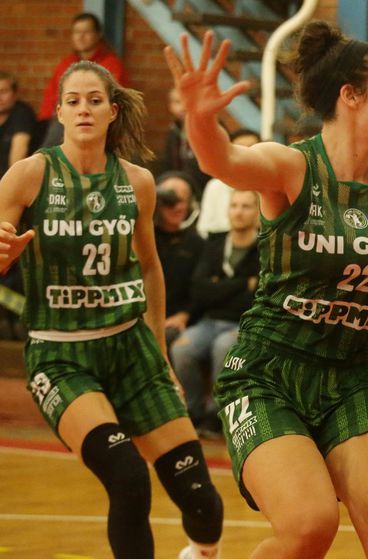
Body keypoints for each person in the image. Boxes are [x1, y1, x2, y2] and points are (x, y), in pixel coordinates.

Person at [164, 22, 368, 559]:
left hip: (353, 376)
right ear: (350, 95)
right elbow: (222, 161)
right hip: (270, 374)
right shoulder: (292, 166)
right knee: (309, 526)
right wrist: (200, 118)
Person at [0, 60, 222, 559]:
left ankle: (203, 553)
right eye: (73, 101)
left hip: (131, 349)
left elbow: (150, 267)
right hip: (61, 355)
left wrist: (160, 352)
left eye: (94, 100)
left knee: (201, 498)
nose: (84, 109)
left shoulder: (137, 182)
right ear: (59, 112)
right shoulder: (29, 175)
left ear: (112, 111)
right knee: (128, 476)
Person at [172, 189, 260, 433]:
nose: (238, 212)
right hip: (209, 320)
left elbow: (255, 297)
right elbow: (199, 290)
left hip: (243, 323)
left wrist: (218, 285)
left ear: (258, 212)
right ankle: (191, 411)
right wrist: (243, 284)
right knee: (182, 348)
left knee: (223, 347)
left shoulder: (265, 248)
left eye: (246, 206)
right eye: (234, 205)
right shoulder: (214, 244)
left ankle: (216, 415)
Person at [38, 12, 127, 148]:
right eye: (77, 32)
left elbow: (114, 100)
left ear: (98, 35)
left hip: (99, 121)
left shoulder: (111, 64)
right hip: (65, 120)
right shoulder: (65, 63)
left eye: (86, 32)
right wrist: (44, 121)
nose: (81, 37)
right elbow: (51, 97)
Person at [154, 170, 204, 348]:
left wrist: (185, 314)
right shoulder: (144, 238)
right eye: (169, 200)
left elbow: (201, 289)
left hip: (179, 321)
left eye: (182, 201)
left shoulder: (197, 243)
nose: (177, 207)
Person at [197, 128, 260, 239]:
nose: (246, 154)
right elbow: (204, 230)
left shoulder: (273, 186)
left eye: (251, 148)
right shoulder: (215, 187)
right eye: (240, 148)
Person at [161, 86, 210, 199]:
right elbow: (168, 163)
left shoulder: (210, 129)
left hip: (204, 189)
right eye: (177, 102)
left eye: (187, 101)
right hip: (178, 190)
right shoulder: (173, 131)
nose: (183, 107)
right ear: (170, 106)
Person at [0, 71, 37, 177]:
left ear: (15, 94)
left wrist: (8, 183)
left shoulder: (22, 113)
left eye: (3, 91)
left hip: (11, 178)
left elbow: (17, 157)